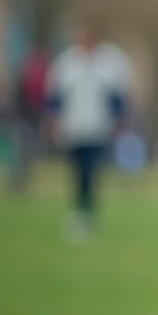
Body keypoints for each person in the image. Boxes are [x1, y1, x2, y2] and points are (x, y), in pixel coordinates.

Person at [45, 20, 133, 241]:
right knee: (77, 171)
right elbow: (55, 97)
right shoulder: (66, 63)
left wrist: (119, 122)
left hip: (98, 128)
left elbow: (118, 98)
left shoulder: (110, 62)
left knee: (91, 170)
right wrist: (53, 121)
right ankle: (80, 211)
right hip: (73, 128)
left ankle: (87, 213)